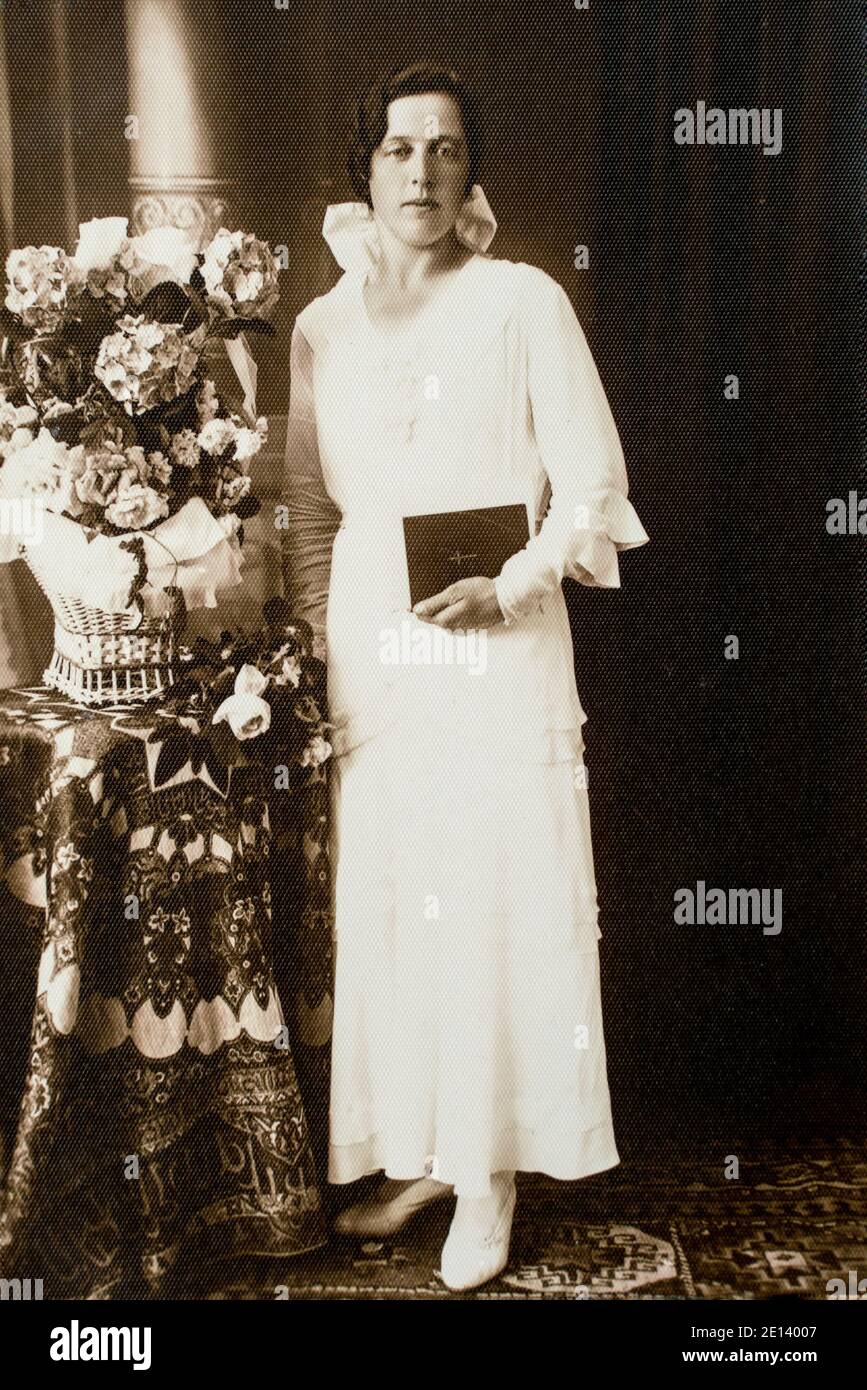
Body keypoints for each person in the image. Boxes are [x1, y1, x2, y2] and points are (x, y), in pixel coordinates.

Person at [282, 61, 649, 1292]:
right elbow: (309, 513)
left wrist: (516, 583)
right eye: (398, 149)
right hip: (379, 655)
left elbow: (593, 483)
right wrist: (321, 650)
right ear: (366, 171)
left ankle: (489, 1178)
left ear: (469, 171)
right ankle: (427, 1152)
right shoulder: (321, 328)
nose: (421, 171)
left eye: (443, 149)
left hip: (497, 643)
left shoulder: (522, 301)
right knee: (399, 899)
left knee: (492, 898)